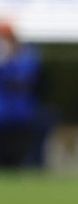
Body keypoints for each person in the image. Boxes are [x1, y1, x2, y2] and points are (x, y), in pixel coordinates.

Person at [0, 21, 48, 167]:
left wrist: (7, 61)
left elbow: (25, 78)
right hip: (2, 113)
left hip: (22, 114)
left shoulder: (26, 54)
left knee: (18, 152)